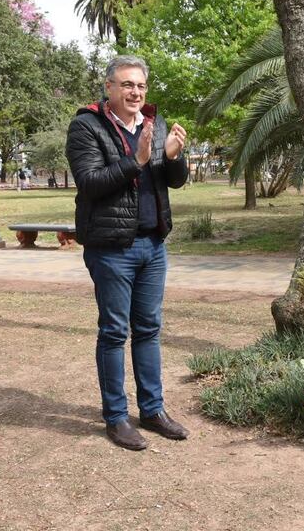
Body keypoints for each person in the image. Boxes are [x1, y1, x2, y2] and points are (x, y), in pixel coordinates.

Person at [66, 55, 190, 450]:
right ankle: (116, 418)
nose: (135, 92)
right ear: (109, 88)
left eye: (140, 86)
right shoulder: (87, 126)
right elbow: (90, 182)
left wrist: (172, 157)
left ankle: (152, 410)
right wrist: (135, 161)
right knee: (114, 332)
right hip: (111, 248)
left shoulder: (155, 125)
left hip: (153, 245)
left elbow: (174, 182)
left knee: (150, 329)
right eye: (126, 85)